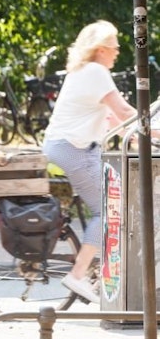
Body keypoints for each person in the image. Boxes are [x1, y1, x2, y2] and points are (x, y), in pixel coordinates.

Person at [42, 19, 136, 305]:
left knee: (107, 206)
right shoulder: (96, 71)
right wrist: (150, 128)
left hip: (70, 147)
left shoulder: (83, 71)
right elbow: (122, 111)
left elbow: (110, 118)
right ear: (100, 50)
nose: (118, 50)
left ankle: (94, 267)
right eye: (114, 45)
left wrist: (130, 133)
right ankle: (78, 274)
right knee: (109, 213)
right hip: (74, 150)